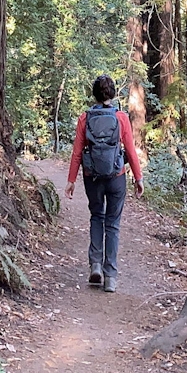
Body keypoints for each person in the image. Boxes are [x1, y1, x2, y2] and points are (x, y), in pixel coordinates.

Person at [65, 74, 144, 293]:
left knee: (96, 217)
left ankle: (96, 265)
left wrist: (71, 180)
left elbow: (77, 152)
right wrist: (138, 178)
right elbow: (130, 150)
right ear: (112, 93)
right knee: (113, 224)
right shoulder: (121, 118)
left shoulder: (85, 118)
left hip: (92, 177)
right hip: (116, 177)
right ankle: (110, 277)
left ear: (94, 93)